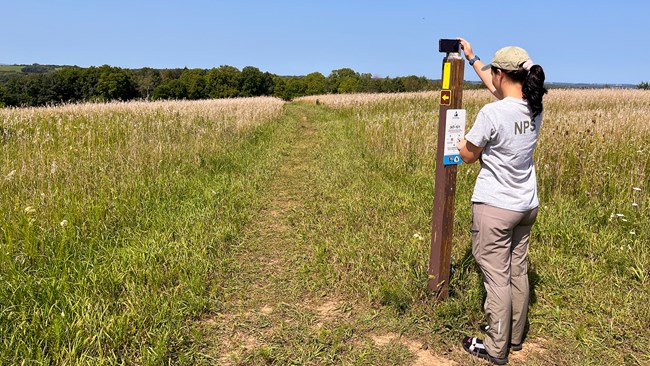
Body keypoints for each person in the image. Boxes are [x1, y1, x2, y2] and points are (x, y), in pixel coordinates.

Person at [455, 38, 548, 365]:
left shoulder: (492, 113)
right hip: (526, 205)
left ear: (501, 74)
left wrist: (459, 142)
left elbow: (467, 155)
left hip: (495, 207)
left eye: (492, 72)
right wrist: (472, 58)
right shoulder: (533, 107)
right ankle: (515, 336)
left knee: (495, 277)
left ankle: (495, 347)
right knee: (516, 270)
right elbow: (500, 93)